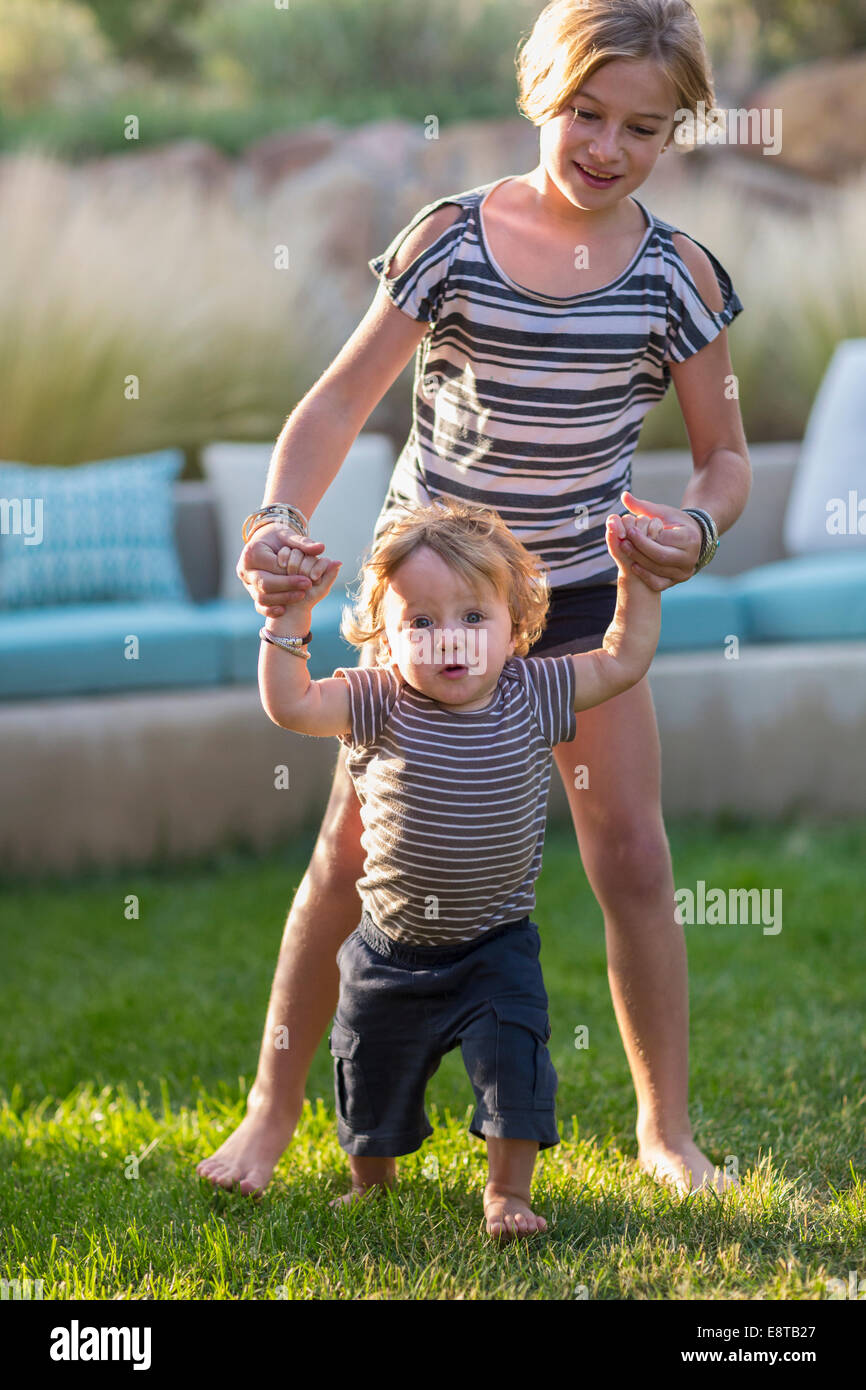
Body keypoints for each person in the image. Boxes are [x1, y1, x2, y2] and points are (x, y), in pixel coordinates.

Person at [197, 0, 751, 1200]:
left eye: (641, 128)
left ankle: (665, 1132)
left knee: (634, 858)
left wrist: (690, 528)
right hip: (437, 603)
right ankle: (269, 1114)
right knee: (347, 861)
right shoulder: (450, 238)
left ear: (677, 130)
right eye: (583, 114)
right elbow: (334, 408)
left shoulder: (678, 276)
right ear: (538, 92)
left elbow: (723, 459)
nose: (605, 147)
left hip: (577, 602)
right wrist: (276, 523)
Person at [256, 496, 661, 1239]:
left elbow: (624, 659)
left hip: (494, 947)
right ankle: (370, 1181)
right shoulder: (378, 700)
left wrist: (638, 581)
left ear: (517, 627)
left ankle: (508, 1192)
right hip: (389, 951)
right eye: (423, 621)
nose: (453, 642)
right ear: (385, 631)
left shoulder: (533, 691)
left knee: (515, 1062)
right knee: (368, 1072)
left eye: (475, 618)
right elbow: (290, 705)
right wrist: (289, 622)